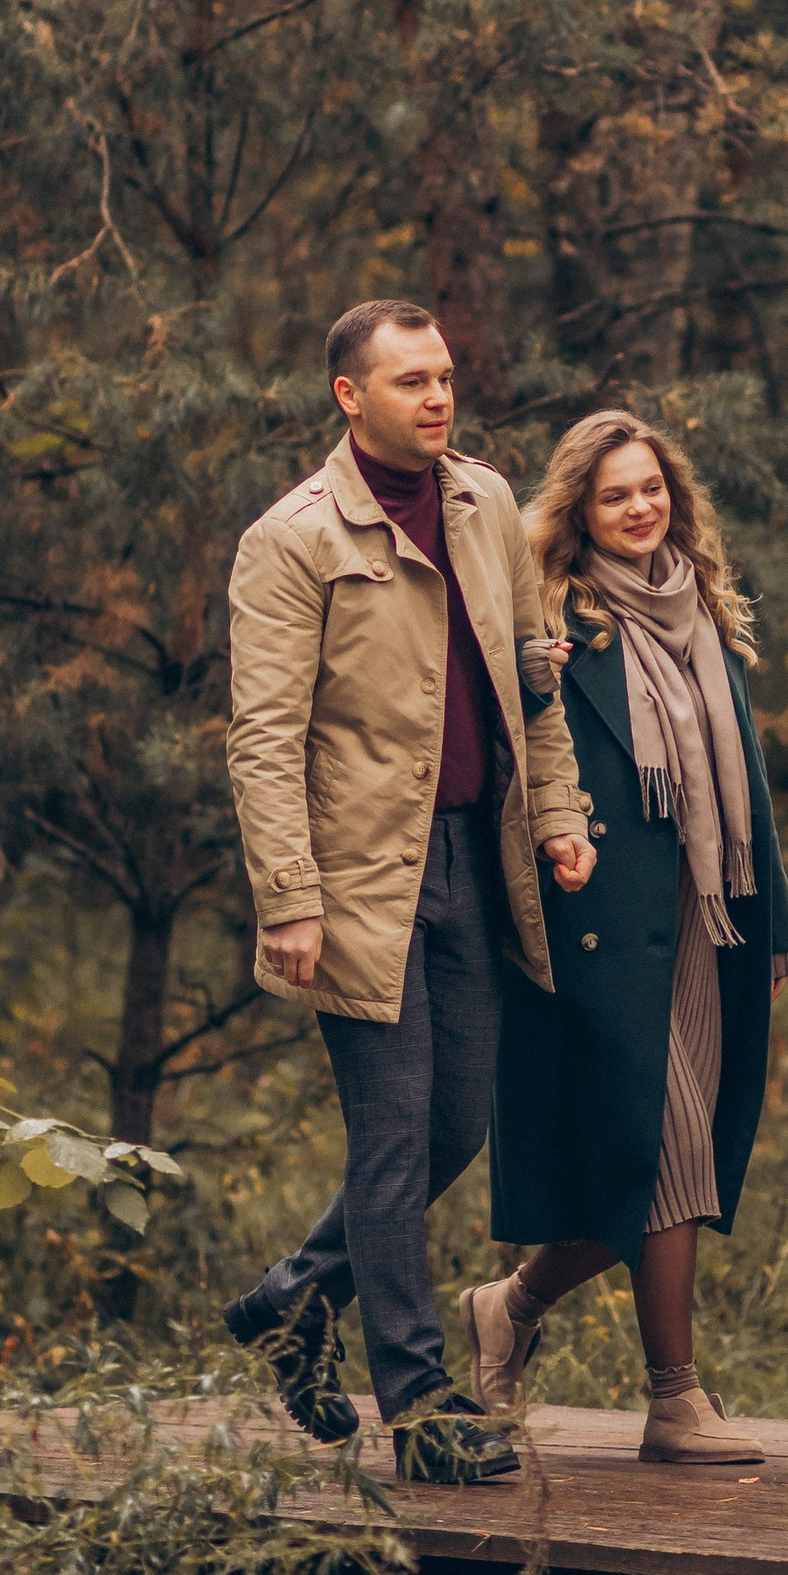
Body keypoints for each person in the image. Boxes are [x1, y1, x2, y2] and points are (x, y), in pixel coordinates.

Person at [220, 301, 596, 1484]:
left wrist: (561, 813)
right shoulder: (291, 538)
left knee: (454, 1128)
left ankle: (294, 1293)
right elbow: (263, 735)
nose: (437, 397)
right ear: (350, 395)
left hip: (475, 864)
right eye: (410, 381)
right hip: (359, 877)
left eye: (444, 377)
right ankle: (422, 1402)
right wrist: (289, 894)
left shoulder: (485, 504)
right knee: (390, 1138)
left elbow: (535, 680)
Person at [463, 411, 788, 1465]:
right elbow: (525, 763)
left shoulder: (702, 604)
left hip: (706, 916)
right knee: (663, 1147)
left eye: (650, 487)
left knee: (671, 1158)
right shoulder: (556, 619)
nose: (639, 507)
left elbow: (743, 774)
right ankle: (673, 1397)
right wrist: (533, 672)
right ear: (578, 510)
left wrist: (772, 922)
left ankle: (511, 1302)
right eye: (615, 494)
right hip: (599, 927)